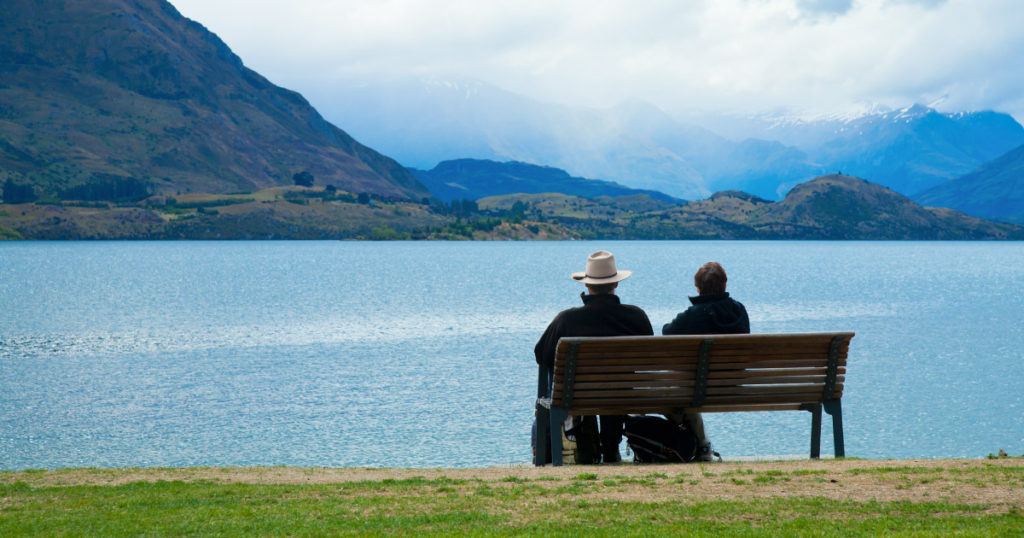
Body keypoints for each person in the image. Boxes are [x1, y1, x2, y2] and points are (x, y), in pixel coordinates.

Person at [534, 250, 653, 463]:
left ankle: (586, 446)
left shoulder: (567, 320)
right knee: (615, 386)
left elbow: (541, 354)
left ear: (586, 285)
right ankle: (610, 449)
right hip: (626, 396)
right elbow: (649, 358)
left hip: (578, 395)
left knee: (586, 387)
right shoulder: (636, 317)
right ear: (616, 284)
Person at [662, 261, 750, 461]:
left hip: (697, 387)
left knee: (676, 397)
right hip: (734, 385)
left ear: (698, 288)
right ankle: (702, 447)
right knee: (684, 398)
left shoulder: (692, 316)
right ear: (725, 285)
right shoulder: (739, 311)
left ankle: (693, 445)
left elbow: (667, 332)